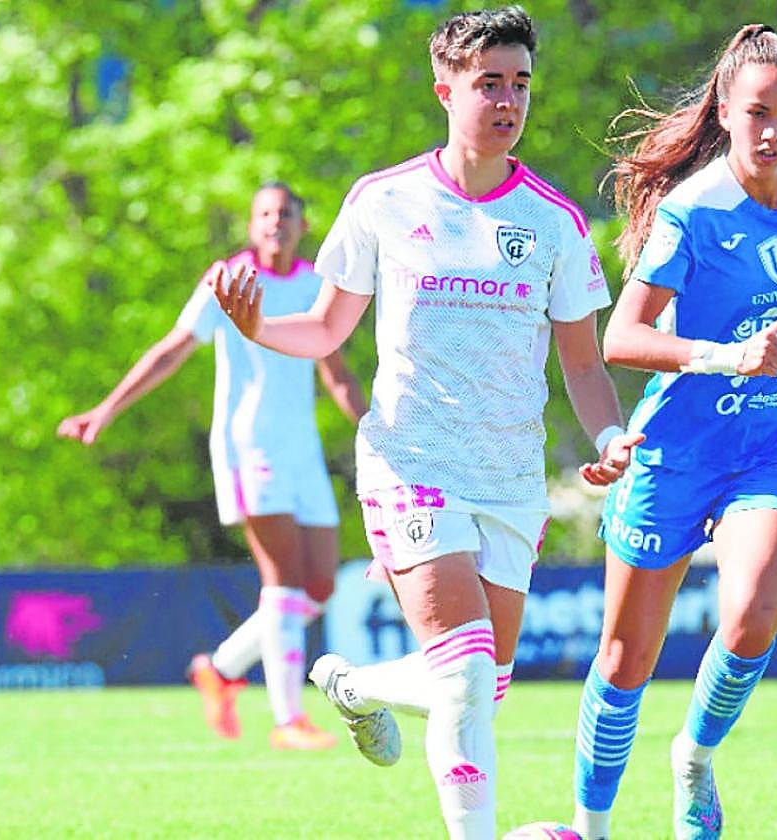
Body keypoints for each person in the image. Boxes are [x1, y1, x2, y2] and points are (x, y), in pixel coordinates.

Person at [213, 7, 640, 838]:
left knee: (481, 683)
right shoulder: (383, 201)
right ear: (445, 89)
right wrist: (260, 327)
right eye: (489, 83)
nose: (508, 99)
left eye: (520, 82)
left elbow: (583, 365)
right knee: (467, 673)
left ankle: (354, 685)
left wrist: (608, 438)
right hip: (411, 462)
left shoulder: (554, 221)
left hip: (511, 479)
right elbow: (329, 330)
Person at [567, 24, 777, 840]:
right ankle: (591, 828)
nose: (774, 133)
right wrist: (726, 355)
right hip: (674, 453)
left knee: (753, 618)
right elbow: (622, 338)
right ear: (725, 109)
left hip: (768, 450)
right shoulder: (693, 210)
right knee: (624, 662)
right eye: (757, 114)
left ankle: (696, 760)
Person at [57, 182, 366, 751]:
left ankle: (221, 668)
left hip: (302, 452)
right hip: (251, 447)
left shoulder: (313, 283)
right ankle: (288, 720)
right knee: (284, 582)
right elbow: (173, 348)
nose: (276, 222)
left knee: (318, 585)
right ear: (252, 225)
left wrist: (373, 428)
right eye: (266, 213)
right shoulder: (225, 280)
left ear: (302, 225)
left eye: (287, 214)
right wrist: (106, 409)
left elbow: (335, 369)